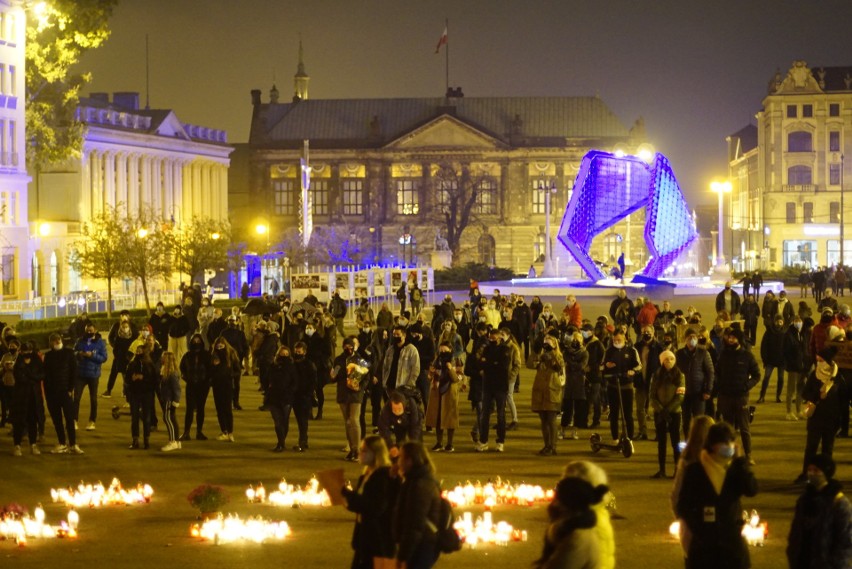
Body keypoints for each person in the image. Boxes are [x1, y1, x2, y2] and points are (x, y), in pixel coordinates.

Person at [675, 422, 758, 569]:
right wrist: (698, 528)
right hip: (704, 548)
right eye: (724, 443)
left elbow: (751, 489)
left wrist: (741, 463)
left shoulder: (734, 469)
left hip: (732, 545)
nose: (729, 446)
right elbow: (683, 505)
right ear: (712, 445)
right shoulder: (695, 471)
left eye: (731, 442)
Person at [342, 435, 400, 569]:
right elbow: (362, 502)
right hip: (365, 536)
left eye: (364, 450)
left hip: (379, 540)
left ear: (375, 453)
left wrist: (348, 495)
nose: (360, 453)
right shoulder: (367, 474)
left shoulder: (383, 477)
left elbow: (375, 507)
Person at [787, 454, 852, 569]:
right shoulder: (804, 499)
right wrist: (793, 553)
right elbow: (796, 531)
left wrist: (835, 564)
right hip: (803, 561)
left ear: (826, 473)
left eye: (816, 470)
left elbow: (845, 540)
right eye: (809, 470)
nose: (811, 474)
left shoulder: (839, 502)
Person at [794, 347, 846, 484]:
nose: (818, 363)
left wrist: (840, 421)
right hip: (815, 418)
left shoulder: (838, 378)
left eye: (821, 360)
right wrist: (817, 395)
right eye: (817, 360)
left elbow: (843, 401)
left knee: (827, 449)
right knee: (811, 447)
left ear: (828, 362)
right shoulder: (814, 375)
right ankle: (806, 474)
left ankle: (826, 475)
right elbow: (805, 393)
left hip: (831, 419)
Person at [533, 476, 608, 569]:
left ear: (567, 504)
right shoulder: (569, 529)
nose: (553, 503)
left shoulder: (579, 538)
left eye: (557, 498)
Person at [670, 415, 715, 560]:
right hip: (714, 526)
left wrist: (681, 517)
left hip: (690, 526)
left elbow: (676, 494)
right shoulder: (717, 460)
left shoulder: (686, 460)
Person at [392, 441, 441, 569]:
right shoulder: (414, 480)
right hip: (421, 544)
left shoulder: (419, 486)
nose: (398, 461)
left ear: (410, 460)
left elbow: (415, 525)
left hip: (421, 546)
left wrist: (402, 556)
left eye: (400, 457)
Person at [715, 328, 760, 465]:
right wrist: (720, 386)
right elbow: (717, 372)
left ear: (739, 340)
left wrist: (746, 386)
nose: (730, 340)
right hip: (726, 397)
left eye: (733, 338)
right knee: (728, 429)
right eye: (729, 337)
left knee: (745, 428)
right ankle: (730, 455)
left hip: (741, 397)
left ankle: (748, 455)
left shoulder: (747, 356)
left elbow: (757, 375)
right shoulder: (723, 355)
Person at [43, 333, 82, 455]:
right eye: (54, 341)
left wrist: (70, 389)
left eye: (58, 340)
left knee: (70, 419)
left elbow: (74, 372)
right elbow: (46, 376)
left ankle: (73, 444)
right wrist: (48, 394)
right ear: (50, 343)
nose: (57, 342)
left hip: (66, 392)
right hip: (53, 394)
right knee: (57, 421)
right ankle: (62, 443)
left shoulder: (69, 353)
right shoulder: (48, 356)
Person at [332, 336, 370, 461]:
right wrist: (333, 375)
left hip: (355, 393)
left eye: (350, 346)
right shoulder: (338, 360)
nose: (348, 348)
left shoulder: (360, 359)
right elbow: (334, 376)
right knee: (347, 422)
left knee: (354, 420)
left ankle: (357, 449)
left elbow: (367, 376)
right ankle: (352, 449)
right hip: (343, 393)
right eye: (346, 346)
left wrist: (361, 387)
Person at [476, 327, 512, 452]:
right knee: (484, 415)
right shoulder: (486, 349)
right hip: (487, 386)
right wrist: (492, 363)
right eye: (490, 338)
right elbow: (480, 363)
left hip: (501, 386)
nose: (491, 340)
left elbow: (503, 366)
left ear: (499, 338)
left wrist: (488, 363)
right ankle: (483, 441)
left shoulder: (505, 349)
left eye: (494, 338)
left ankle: (500, 441)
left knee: (500, 415)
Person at [650, 350, 685, 478]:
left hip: (674, 413)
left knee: (676, 442)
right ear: (661, 361)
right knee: (661, 442)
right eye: (666, 359)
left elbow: (680, 397)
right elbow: (652, 396)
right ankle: (661, 469)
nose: (668, 361)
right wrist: (660, 410)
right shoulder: (656, 375)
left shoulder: (680, 376)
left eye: (671, 359)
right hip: (660, 413)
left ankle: (677, 470)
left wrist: (668, 410)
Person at [602, 329, 641, 441]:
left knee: (628, 414)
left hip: (627, 386)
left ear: (625, 339)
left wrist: (633, 371)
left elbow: (639, 366)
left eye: (619, 339)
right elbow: (601, 366)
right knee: (614, 414)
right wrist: (606, 366)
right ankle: (615, 438)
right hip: (613, 386)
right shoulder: (608, 351)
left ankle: (630, 437)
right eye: (614, 340)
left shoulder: (632, 351)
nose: (617, 341)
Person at [676, 328, 715, 439]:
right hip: (684, 393)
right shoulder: (679, 354)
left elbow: (710, 372)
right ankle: (688, 443)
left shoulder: (703, 353)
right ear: (685, 339)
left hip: (699, 393)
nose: (692, 339)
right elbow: (675, 373)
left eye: (694, 337)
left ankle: (699, 444)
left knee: (699, 422)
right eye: (689, 337)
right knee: (686, 421)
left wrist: (708, 390)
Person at [425, 341, 461, 452]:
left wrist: (450, 369)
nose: (443, 353)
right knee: (437, 417)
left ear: (450, 350)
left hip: (450, 392)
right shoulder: (437, 360)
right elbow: (430, 376)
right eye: (441, 351)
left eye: (445, 350)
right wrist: (431, 373)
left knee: (450, 418)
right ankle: (439, 443)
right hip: (437, 392)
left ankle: (450, 444)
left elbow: (457, 378)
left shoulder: (456, 361)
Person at [531, 334, 564, 456]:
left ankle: (553, 446)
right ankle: (546, 445)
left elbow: (559, 367)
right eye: (545, 342)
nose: (546, 344)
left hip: (552, 390)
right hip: (540, 390)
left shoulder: (558, 356)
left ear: (555, 344)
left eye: (549, 342)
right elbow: (530, 364)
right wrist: (536, 352)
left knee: (551, 420)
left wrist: (551, 355)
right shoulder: (541, 355)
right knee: (543, 420)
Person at [11, 343, 45, 456]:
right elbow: (19, 377)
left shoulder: (36, 360)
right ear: (21, 352)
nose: (27, 353)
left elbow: (42, 374)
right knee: (19, 421)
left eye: (29, 351)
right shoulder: (18, 362)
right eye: (25, 351)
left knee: (33, 420)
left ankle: (33, 444)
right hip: (21, 397)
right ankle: (17, 445)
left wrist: (30, 376)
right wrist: (33, 378)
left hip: (34, 396)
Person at [73, 323, 108, 431]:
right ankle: (74, 420)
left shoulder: (100, 343)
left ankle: (92, 421)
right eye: (87, 330)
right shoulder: (80, 341)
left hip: (93, 374)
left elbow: (104, 358)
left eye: (91, 330)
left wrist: (92, 355)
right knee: (76, 398)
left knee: (93, 399)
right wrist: (79, 354)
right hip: (80, 374)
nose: (89, 332)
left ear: (95, 330)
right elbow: (73, 352)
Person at [179, 333, 212, 441]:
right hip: (191, 384)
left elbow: (210, 369)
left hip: (203, 385)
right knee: (189, 409)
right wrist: (187, 377)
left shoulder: (206, 355)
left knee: (200, 408)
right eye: (194, 341)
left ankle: (199, 431)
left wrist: (207, 380)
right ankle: (186, 432)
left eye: (198, 341)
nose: (196, 343)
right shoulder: (188, 355)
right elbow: (182, 367)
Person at [125, 343, 156, 449]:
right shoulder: (132, 364)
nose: (138, 353)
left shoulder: (149, 364)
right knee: (134, 418)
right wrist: (132, 379)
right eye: (136, 351)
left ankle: (146, 440)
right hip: (134, 393)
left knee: (146, 418)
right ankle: (135, 440)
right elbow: (127, 379)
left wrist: (143, 378)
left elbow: (154, 380)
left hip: (146, 393)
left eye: (140, 351)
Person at [267, 344, 296, 452]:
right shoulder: (273, 366)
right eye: (282, 354)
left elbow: (295, 381)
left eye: (286, 354)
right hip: (274, 397)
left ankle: (281, 442)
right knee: (277, 421)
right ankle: (281, 443)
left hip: (286, 398)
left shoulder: (291, 367)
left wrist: (289, 391)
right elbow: (267, 378)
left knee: (284, 421)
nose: (284, 356)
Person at [210, 337, 240, 442]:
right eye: (218, 345)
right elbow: (211, 371)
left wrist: (230, 375)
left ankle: (230, 432)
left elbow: (237, 370)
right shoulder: (214, 355)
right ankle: (224, 431)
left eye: (221, 344)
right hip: (217, 385)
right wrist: (214, 367)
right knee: (219, 409)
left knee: (227, 409)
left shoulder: (231, 354)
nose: (219, 346)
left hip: (227, 385)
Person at [377, 390, 422, 458]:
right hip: (398, 424)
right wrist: (390, 446)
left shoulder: (411, 404)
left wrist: (413, 445)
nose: (397, 412)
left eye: (399, 409)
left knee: (416, 445)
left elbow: (415, 426)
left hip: (412, 421)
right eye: (394, 409)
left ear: (403, 406)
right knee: (400, 442)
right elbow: (383, 428)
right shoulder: (386, 408)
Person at [560, 332, 587, 440]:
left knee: (578, 409)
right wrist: (574, 365)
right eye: (574, 339)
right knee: (567, 408)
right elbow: (566, 361)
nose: (575, 341)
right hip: (569, 383)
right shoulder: (567, 352)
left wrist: (571, 364)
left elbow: (581, 366)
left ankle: (574, 431)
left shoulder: (585, 353)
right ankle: (562, 430)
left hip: (579, 384)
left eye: (578, 339)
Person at [103, 314, 136, 398]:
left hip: (128, 358)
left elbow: (135, 343)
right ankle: (108, 390)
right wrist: (116, 355)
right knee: (113, 374)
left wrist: (131, 356)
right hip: (118, 358)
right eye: (123, 327)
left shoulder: (132, 330)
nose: (125, 328)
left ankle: (126, 392)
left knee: (126, 376)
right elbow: (114, 345)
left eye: (126, 327)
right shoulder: (118, 332)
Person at [758, 315, 786, 403]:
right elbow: (764, 347)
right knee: (766, 378)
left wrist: (786, 359)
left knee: (781, 379)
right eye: (777, 321)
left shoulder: (785, 333)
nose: (779, 323)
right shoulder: (769, 332)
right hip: (770, 361)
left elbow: (788, 347)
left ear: (783, 322)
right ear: (774, 322)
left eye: (780, 322)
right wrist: (765, 360)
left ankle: (778, 396)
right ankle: (762, 396)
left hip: (781, 361)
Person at [158, 352, 182, 452]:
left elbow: (177, 390)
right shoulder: (165, 371)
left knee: (167, 419)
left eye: (164, 358)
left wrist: (175, 403)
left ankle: (172, 442)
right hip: (166, 399)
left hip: (169, 400)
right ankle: (177, 441)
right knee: (172, 419)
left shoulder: (172, 374)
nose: (162, 360)